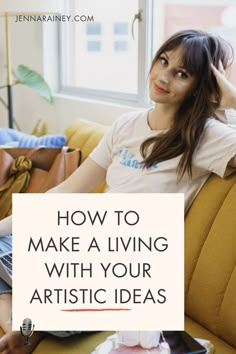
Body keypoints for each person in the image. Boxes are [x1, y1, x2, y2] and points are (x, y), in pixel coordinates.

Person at [1, 29, 236, 354]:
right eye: (163, 61)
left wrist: (232, 100)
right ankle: (23, 330)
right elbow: (69, 190)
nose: (163, 76)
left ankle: (38, 322)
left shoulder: (207, 136)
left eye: (181, 73)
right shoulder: (126, 125)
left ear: (202, 85)